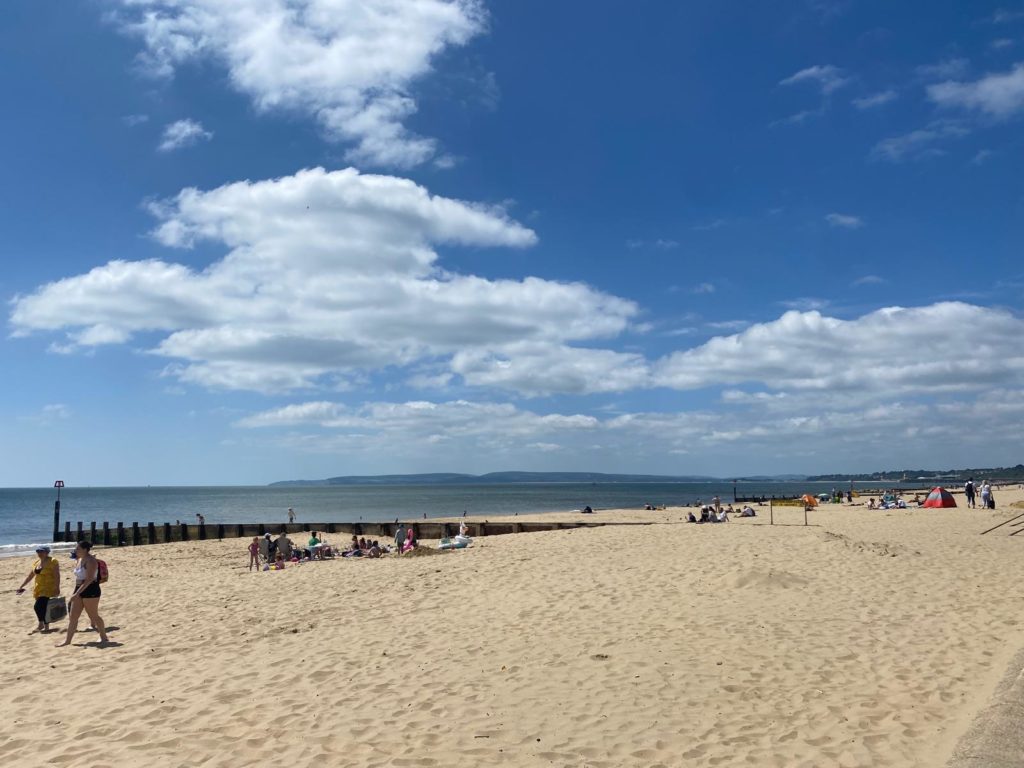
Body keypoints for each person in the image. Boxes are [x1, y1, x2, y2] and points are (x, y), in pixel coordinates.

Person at [57, 541, 108, 647]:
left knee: (93, 616)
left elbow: (89, 579)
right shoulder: (79, 559)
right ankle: (67, 641)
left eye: (78, 549)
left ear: (85, 550)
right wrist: (76, 592)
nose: (76, 551)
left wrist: (77, 593)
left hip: (91, 589)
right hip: (79, 588)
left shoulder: (91, 561)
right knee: (73, 616)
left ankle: (103, 636)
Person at [16, 545, 61, 633]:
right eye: (38, 551)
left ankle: (43, 625)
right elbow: (30, 576)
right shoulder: (36, 562)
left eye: (41, 551)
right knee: (42, 607)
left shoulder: (53, 561)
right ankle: (43, 625)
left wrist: (57, 587)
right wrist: (22, 586)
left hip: (48, 588)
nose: (39, 553)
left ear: (47, 552)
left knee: (38, 606)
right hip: (38, 588)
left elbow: (57, 576)